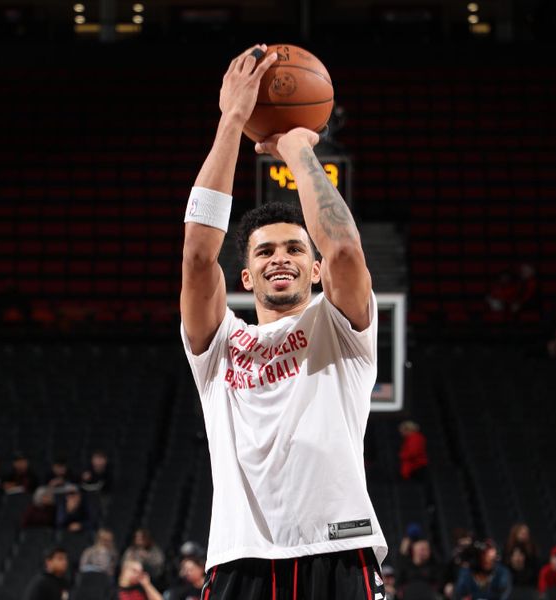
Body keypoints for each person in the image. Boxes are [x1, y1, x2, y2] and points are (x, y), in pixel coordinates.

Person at [179, 44, 387, 597]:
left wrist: (296, 148)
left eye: (295, 249)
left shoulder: (340, 329)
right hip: (238, 558)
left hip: (338, 549)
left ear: (313, 270)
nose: (280, 259)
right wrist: (232, 121)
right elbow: (199, 256)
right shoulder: (219, 346)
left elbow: (343, 248)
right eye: (264, 252)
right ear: (245, 277)